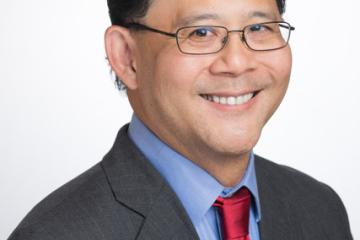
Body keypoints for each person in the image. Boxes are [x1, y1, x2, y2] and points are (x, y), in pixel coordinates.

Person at [8, 0, 353, 239]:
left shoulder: (319, 209)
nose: (237, 62)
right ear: (127, 57)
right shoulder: (56, 234)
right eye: (201, 33)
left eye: (260, 27)